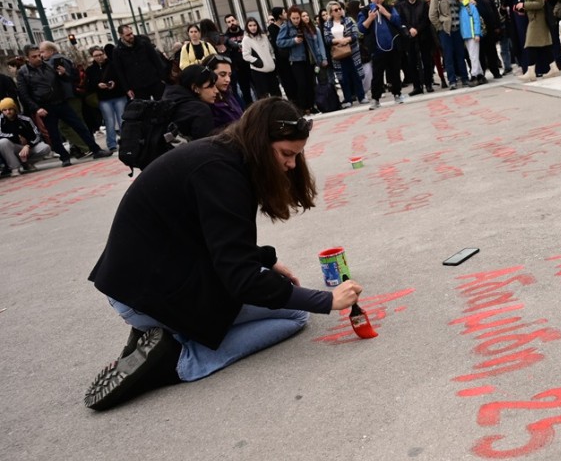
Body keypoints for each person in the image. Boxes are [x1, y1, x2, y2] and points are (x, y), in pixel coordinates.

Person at [83, 96, 364, 411]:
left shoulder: (220, 156)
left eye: (297, 155)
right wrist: (327, 301)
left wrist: (265, 260)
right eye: (286, 154)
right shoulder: (223, 175)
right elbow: (240, 279)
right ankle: (179, 359)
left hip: (140, 285)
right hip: (149, 296)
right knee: (296, 313)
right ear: (261, 143)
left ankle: (160, 336)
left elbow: (208, 236)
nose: (291, 165)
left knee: (276, 292)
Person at [16, 45, 112, 166]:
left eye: (39, 55)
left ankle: (96, 150)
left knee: (80, 127)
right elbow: (24, 94)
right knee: (54, 134)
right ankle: (64, 157)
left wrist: (63, 74)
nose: (38, 58)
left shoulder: (50, 65)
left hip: (61, 102)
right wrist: (37, 108)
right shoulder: (23, 72)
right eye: (34, 56)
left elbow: (68, 80)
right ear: (27, 58)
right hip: (45, 106)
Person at [276, 6, 328, 114]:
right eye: (294, 18)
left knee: (311, 83)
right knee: (301, 84)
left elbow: (313, 43)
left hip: (309, 59)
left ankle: (311, 105)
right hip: (296, 60)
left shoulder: (304, 26)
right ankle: (303, 107)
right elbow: (279, 42)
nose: (296, 20)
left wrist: (319, 57)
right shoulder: (286, 27)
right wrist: (293, 41)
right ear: (290, 17)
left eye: (298, 18)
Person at [359, 0, 405, 110]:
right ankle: (375, 99)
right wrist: (370, 18)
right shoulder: (365, 11)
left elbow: (397, 21)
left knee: (395, 71)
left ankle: (397, 94)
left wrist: (385, 13)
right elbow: (361, 28)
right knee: (377, 75)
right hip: (377, 48)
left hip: (392, 45)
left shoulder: (389, 8)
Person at [515, 0, 560, 82]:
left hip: (537, 20)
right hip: (535, 18)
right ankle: (553, 68)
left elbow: (540, 3)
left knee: (530, 44)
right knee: (544, 44)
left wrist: (524, 5)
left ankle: (530, 72)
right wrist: (523, 8)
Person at [429, 0, 471, 89]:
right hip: (446, 31)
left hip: (458, 30)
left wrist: (470, 1)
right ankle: (452, 81)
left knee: (460, 55)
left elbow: (462, 6)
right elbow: (432, 14)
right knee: (448, 57)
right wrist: (440, 27)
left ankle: (465, 78)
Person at [323, 0, 366, 107]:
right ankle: (348, 99)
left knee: (356, 74)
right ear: (331, 12)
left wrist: (347, 39)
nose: (338, 11)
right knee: (343, 77)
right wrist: (338, 41)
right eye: (335, 10)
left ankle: (361, 96)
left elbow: (356, 33)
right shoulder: (327, 24)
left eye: (339, 9)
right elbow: (327, 39)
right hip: (338, 53)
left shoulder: (348, 20)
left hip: (351, 51)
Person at [84, 46, 127, 152]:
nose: (99, 57)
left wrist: (114, 83)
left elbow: (121, 77)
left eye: (100, 54)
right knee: (109, 121)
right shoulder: (90, 70)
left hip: (118, 95)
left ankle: (126, 141)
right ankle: (111, 144)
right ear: (92, 57)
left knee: (122, 119)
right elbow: (89, 85)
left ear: (104, 54)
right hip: (103, 98)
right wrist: (98, 85)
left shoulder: (113, 64)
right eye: (96, 56)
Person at [158, 64, 217, 141]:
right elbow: (206, 145)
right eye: (210, 86)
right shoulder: (200, 110)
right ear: (195, 88)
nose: (216, 91)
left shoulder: (170, 99)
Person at [111, 24, 167, 100]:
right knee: (145, 109)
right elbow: (120, 71)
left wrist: (162, 78)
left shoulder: (143, 43)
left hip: (154, 81)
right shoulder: (117, 51)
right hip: (137, 87)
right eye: (128, 35)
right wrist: (127, 89)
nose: (131, 36)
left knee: (163, 104)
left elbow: (156, 60)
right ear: (121, 35)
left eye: (131, 33)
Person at [397, 0, 435, 95]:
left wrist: (417, 29)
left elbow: (426, 19)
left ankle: (428, 84)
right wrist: (410, 29)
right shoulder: (402, 6)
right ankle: (417, 86)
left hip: (423, 36)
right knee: (412, 62)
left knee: (426, 61)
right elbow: (401, 20)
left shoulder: (423, 4)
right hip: (409, 38)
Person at [0, 97, 49, 176]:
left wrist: (28, 145)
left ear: (15, 109)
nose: (8, 112)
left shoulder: (25, 119)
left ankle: (27, 164)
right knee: (2, 142)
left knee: (45, 147)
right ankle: (15, 168)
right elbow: (0, 134)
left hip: (27, 147)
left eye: (10, 109)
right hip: (13, 147)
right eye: (4, 110)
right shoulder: (1, 121)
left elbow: (37, 134)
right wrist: (17, 137)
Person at [241, 17, 282, 99]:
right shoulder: (246, 39)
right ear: (247, 27)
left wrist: (273, 59)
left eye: (254, 25)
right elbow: (246, 55)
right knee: (264, 96)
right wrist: (257, 62)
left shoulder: (264, 36)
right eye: (250, 25)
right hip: (258, 71)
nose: (253, 27)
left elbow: (271, 50)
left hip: (271, 69)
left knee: (277, 94)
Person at [202, 54, 243, 131]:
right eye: (222, 74)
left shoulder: (227, 93)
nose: (228, 79)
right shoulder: (207, 104)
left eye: (229, 75)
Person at [223, 14, 255, 104]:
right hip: (239, 68)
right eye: (229, 22)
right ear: (226, 24)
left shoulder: (245, 33)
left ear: (236, 20)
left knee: (258, 88)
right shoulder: (226, 38)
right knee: (246, 92)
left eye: (232, 20)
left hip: (251, 65)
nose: (231, 23)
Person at [267, 7, 297, 101]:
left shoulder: (286, 25)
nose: (286, 14)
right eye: (284, 12)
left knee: (295, 80)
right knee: (287, 81)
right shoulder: (272, 28)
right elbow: (277, 44)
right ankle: (293, 102)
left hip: (290, 56)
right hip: (281, 59)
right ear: (279, 15)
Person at [422, 0, 449, 89]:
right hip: (431, 37)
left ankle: (453, 76)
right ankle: (442, 79)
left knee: (447, 56)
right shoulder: (424, 6)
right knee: (436, 59)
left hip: (441, 32)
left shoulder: (438, 3)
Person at [458, 0, 485, 85]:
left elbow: (476, 20)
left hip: (473, 35)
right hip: (465, 35)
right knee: (473, 55)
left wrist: (477, 33)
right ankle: (480, 74)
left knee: (473, 56)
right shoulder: (460, 7)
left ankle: (474, 75)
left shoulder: (470, 6)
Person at [490, 0, 514, 74]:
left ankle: (520, 62)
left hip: (506, 20)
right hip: (498, 23)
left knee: (512, 44)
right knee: (504, 45)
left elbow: (505, 3)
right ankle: (507, 66)